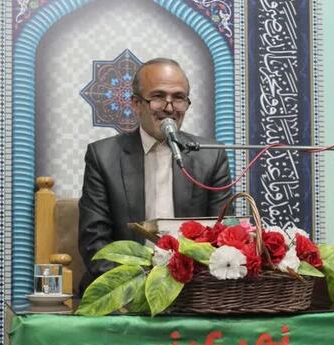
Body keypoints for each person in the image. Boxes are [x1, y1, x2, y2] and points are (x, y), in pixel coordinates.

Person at [78, 58, 233, 294]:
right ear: (136, 103)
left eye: (178, 98)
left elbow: (221, 237)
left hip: (193, 290)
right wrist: (136, 289)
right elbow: (95, 242)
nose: (169, 108)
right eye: (158, 97)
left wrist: (189, 288)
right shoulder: (103, 156)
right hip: (122, 290)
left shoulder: (211, 156)